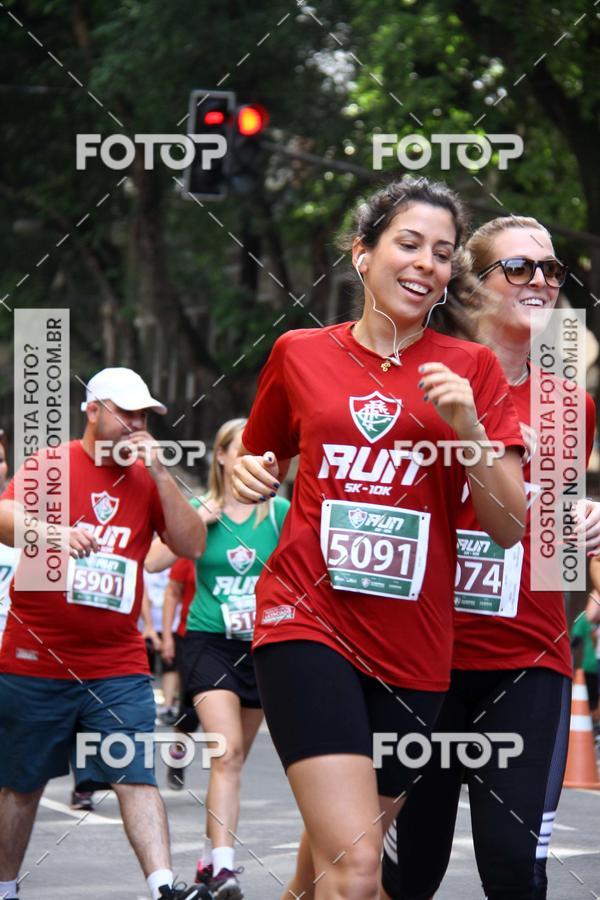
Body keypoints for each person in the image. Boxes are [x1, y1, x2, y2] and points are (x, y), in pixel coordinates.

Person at [232, 177, 527, 900]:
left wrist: (468, 429)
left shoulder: (472, 369)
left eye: (443, 253)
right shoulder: (299, 353)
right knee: (360, 870)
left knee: (326, 870)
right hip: (306, 621)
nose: (426, 263)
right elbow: (256, 456)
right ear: (362, 254)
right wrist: (247, 473)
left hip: (413, 648)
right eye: (409, 244)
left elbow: (511, 526)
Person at [381, 216, 598, 900]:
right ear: (470, 285)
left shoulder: (570, 406)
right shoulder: (417, 378)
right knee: (408, 873)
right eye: (520, 268)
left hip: (529, 663)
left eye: (551, 269)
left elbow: (558, 563)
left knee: (513, 868)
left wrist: (579, 529)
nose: (542, 281)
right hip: (421, 663)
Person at [0, 367, 208, 900]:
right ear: (92, 411)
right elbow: (3, 515)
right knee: (22, 785)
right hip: (37, 657)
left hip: (117, 662)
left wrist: (160, 473)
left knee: (135, 774)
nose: (136, 425)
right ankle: (4, 887)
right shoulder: (52, 463)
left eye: (143, 416)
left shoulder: (147, 477)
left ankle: (163, 887)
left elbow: (191, 544)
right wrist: (52, 533)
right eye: (126, 413)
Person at [146, 417, 290, 900]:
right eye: (241, 447)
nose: (251, 455)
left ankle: (210, 860)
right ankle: (225, 868)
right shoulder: (199, 509)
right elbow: (153, 561)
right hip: (209, 641)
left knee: (234, 761)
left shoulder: (279, 514)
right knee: (225, 752)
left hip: (262, 646)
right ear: (223, 457)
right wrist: (201, 518)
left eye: (258, 448)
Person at [160, 555, 197, 790]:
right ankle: (178, 754)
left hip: (241, 640)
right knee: (191, 709)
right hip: (194, 637)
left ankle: (227, 767)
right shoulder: (193, 551)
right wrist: (167, 636)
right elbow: (173, 592)